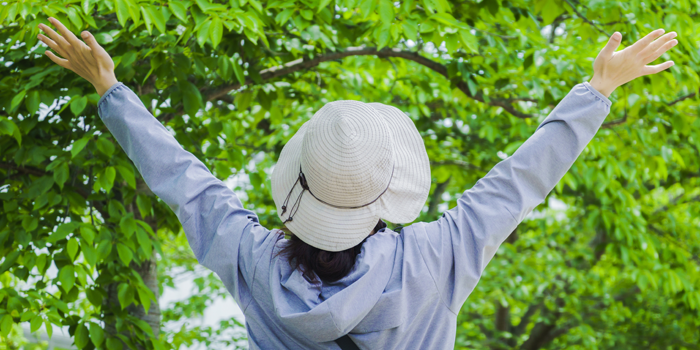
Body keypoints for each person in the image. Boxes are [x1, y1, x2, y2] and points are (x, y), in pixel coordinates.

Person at [38, 17, 677, 349]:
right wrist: (598, 90)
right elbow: (519, 181)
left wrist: (112, 91)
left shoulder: (253, 260)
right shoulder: (436, 257)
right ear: (384, 199)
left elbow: (182, 179)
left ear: (296, 196)